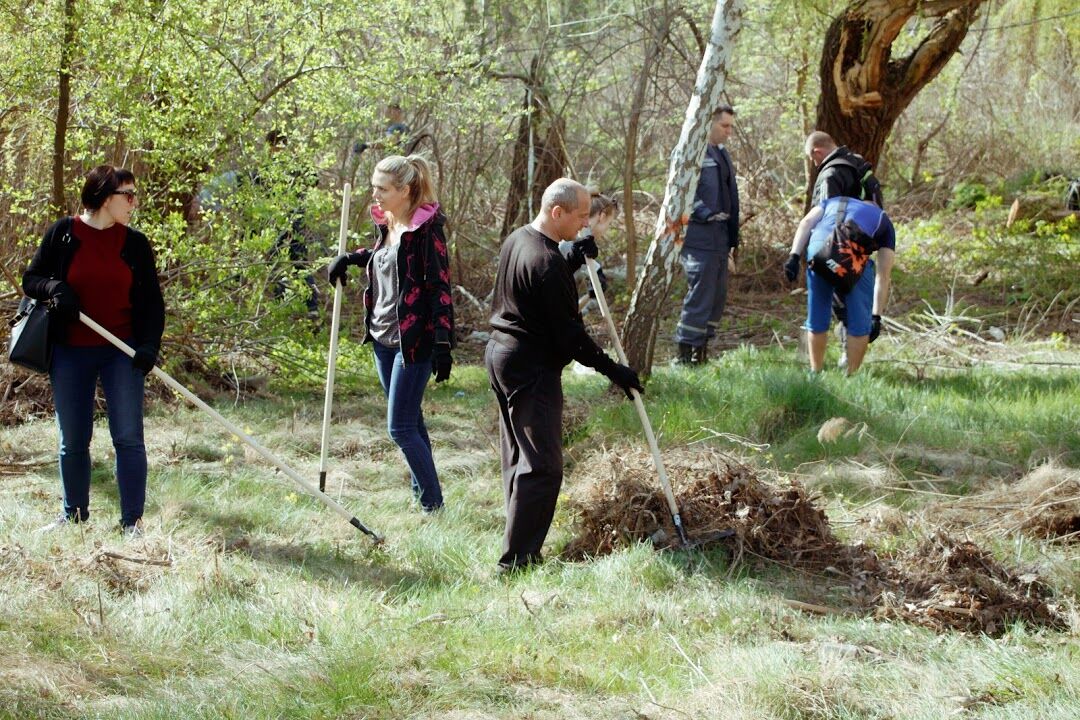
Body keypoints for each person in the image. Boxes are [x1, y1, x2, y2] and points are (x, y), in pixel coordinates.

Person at [485, 178, 643, 573]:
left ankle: (520, 548)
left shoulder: (520, 240)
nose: (585, 224)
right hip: (530, 367)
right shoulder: (546, 263)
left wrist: (570, 255)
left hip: (502, 355)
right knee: (543, 466)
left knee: (519, 457)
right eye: (580, 216)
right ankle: (517, 560)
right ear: (557, 212)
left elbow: (539, 288)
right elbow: (570, 337)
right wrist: (613, 370)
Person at [23, 165, 165, 535]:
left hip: (122, 351)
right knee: (73, 439)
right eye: (128, 195)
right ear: (104, 197)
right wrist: (56, 288)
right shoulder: (63, 235)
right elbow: (31, 279)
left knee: (129, 437)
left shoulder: (134, 243)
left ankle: (132, 522)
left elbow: (152, 303)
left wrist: (149, 344)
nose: (134, 202)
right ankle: (73, 515)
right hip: (71, 352)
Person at [327, 155, 453, 512]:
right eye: (374, 187)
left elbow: (440, 288)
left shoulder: (427, 231)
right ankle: (423, 496)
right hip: (382, 339)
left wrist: (443, 343)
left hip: (413, 344)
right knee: (412, 422)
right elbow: (386, 258)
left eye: (382, 188)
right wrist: (352, 258)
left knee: (399, 428)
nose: (375, 194)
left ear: (404, 190)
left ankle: (432, 505)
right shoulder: (390, 224)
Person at [783, 196, 895, 375]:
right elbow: (884, 275)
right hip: (848, 258)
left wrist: (794, 256)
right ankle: (850, 376)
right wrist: (876, 317)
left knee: (818, 314)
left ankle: (816, 372)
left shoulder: (833, 201)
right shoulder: (883, 219)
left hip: (819, 249)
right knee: (860, 320)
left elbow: (806, 222)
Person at [804, 131, 884, 366]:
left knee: (839, 300)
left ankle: (845, 355)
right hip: (861, 245)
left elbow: (830, 215)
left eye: (812, 158)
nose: (814, 163)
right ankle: (849, 356)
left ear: (817, 152)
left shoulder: (831, 173)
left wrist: (822, 252)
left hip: (839, 248)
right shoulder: (857, 164)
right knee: (855, 301)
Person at [675, 105, 740, 365]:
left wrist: (731, 242)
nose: (729, 132)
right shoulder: (690, 151)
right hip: (698, 239)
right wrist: (706, 214)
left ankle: (701, 353)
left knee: (717, 296)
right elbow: (680, 193)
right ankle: (684, 356)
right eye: (725, 126)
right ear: (709, 124)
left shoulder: (722, 154)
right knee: (700, 295)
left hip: (720, 239)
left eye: (730, 127)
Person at [559, 190, 616, 313]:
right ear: (602, 217)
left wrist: (597, 273)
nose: (608, 229)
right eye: (609, 224)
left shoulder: (586, 244)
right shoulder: (571, 241)